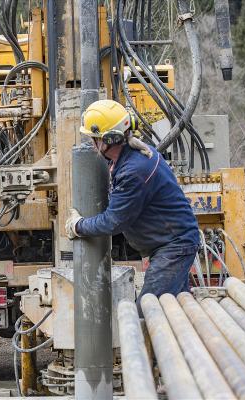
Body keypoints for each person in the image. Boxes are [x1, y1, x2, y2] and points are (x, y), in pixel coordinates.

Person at [65, 99, 200, 308]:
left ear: (107, 140)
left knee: (148, 313)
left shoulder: (133, 170)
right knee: (177, 312)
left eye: (94, 138)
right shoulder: (129, 157)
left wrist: (78, 226)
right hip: (170, 244)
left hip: (174, 247)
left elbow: (113, 222)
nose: (92, 144)